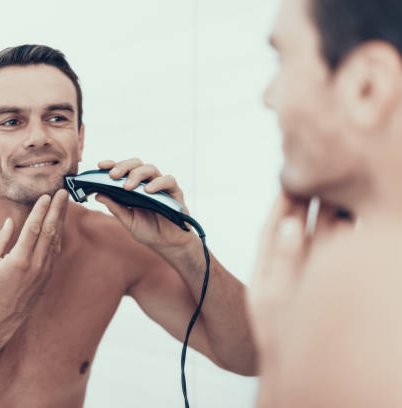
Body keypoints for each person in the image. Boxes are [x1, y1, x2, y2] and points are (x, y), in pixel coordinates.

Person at [0, 45, 256, 408]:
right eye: (11, 122)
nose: (38, 137)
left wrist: (186, 251)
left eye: (56, 117)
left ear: (79, 138)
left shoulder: (118, 244)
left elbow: (250, 357)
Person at [100, 0, 402, 406]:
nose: (268, 97)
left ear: (368, 86)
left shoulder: (361, 287)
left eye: (282, 61)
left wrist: (291, 349)